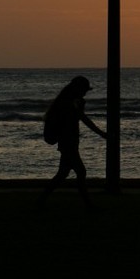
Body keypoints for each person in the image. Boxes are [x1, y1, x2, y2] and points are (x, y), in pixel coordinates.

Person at [38, 76, 107, 208]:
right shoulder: (68, 104)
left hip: (69, 143)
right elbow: (83, 120)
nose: (85, 93)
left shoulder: (69, 102)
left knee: (62, 174)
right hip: (68, 143)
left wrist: (101, 134)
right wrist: (102, 134)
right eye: (84, 90)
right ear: (78, 89)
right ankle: (89, 205)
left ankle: (41, 200)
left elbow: (81, 119)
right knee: (80, 172)